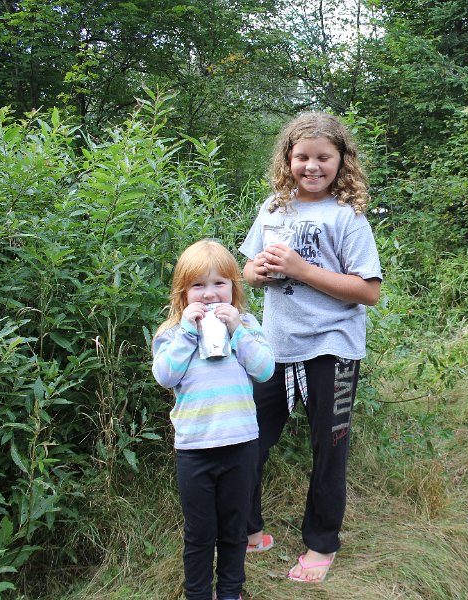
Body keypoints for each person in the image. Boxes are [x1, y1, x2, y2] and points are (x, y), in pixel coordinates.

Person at [239, 112, 382, 583]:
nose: (312, 166)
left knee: (329, 450)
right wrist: (257, 273)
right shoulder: (273, 208)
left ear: (342, 161)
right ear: (288, 159)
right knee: (249, 440)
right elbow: (247, 270)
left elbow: (368, 291)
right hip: (276, 347)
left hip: (332, 349)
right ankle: (249, 530)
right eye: (302, 156)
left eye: (324, 157)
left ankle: (321, 544)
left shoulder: (347, 217)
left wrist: (301, 270)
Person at [152, 239, 275, 600]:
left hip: (240, 445)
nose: (209, 294)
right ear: (183, 292)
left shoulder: (246, 324)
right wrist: (188, 333)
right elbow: (165, 376)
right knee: (200, 533)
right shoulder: (172, 333)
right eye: (198, 285)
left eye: (219, 283)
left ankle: (231, 592)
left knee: (234, 530)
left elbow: (265, 370)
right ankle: (198, 594)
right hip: (195, 450)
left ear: (234, 288)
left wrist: (238, 331)